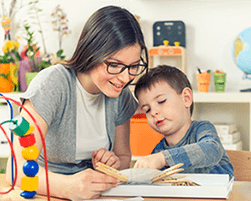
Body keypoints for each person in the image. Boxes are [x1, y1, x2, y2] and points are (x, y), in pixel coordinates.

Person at [6, 5, 148, 200]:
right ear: (92, 52)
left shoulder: (120, 95)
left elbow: (123, 159)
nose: (125, 78)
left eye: (133, 67)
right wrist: (66, 187)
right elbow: (15, 169)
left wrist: (112, 165)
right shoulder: (54, 83)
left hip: (95, 195)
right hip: (45, 193)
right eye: (115, 65)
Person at [133, 65, 234, 178]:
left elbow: (212, 150)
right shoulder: (158, 151)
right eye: (147, 109)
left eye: (161, 101)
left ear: (186, 98)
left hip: (224, 194)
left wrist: (164, 158)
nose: (153, 112)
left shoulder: (202, 129)